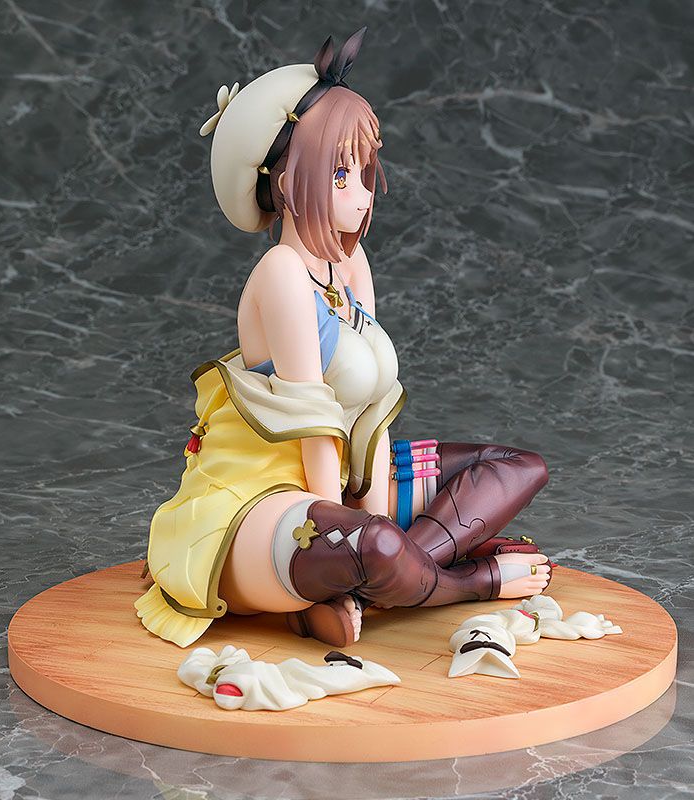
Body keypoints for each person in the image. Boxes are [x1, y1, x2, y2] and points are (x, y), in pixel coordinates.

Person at [135, 27, 552, 651]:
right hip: (265, 499)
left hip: (348, 483)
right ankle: (466, 581)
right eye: (338, 175)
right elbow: (315, 425)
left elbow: (372, 413)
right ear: (286, 183)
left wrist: (372, 525)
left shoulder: (350, 267)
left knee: (516, 468)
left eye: (363, 171)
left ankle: (374, 582)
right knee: (373, 545)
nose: (361, 196)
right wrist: (354, 535)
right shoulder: (280, 272)